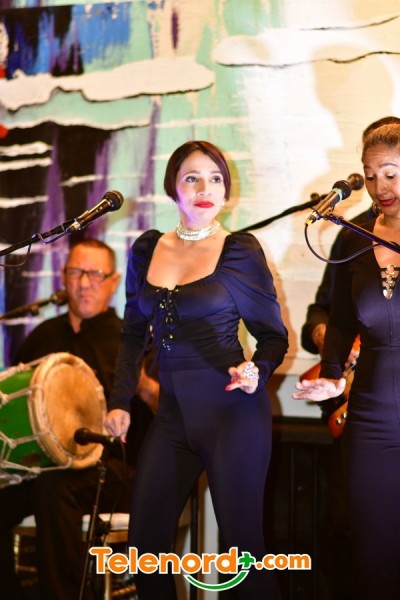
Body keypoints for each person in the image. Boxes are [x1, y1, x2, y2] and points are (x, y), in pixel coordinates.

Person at [103, 140, 289, 600]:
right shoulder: (147, 249)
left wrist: (257, 370)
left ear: (225, 191)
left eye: (215, 179)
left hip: (233, 416)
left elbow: (273, 337)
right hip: (172, 420)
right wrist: (119, 400)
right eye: (192, 178)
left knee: (244, 553)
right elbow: (132, 334)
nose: (205, 188)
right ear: (174, 188)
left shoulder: (239, 252)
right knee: (144, 551)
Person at [0, 238, 157, 600]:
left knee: (54, 489)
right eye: (76, 272)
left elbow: (169, 409)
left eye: (96, 274)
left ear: (113, 282)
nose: (85, 283)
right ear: (63, 276)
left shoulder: (132, 341)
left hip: (115, 471)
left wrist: (144, 385)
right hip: (43, 467)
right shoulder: (43, 337)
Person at [293, 122, 400, 599]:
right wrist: (334, 376)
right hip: (370, 421)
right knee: (373, 560)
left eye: (391, 173)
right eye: (371, 175)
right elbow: (338, 321)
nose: (380, 186)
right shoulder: (353, 237)